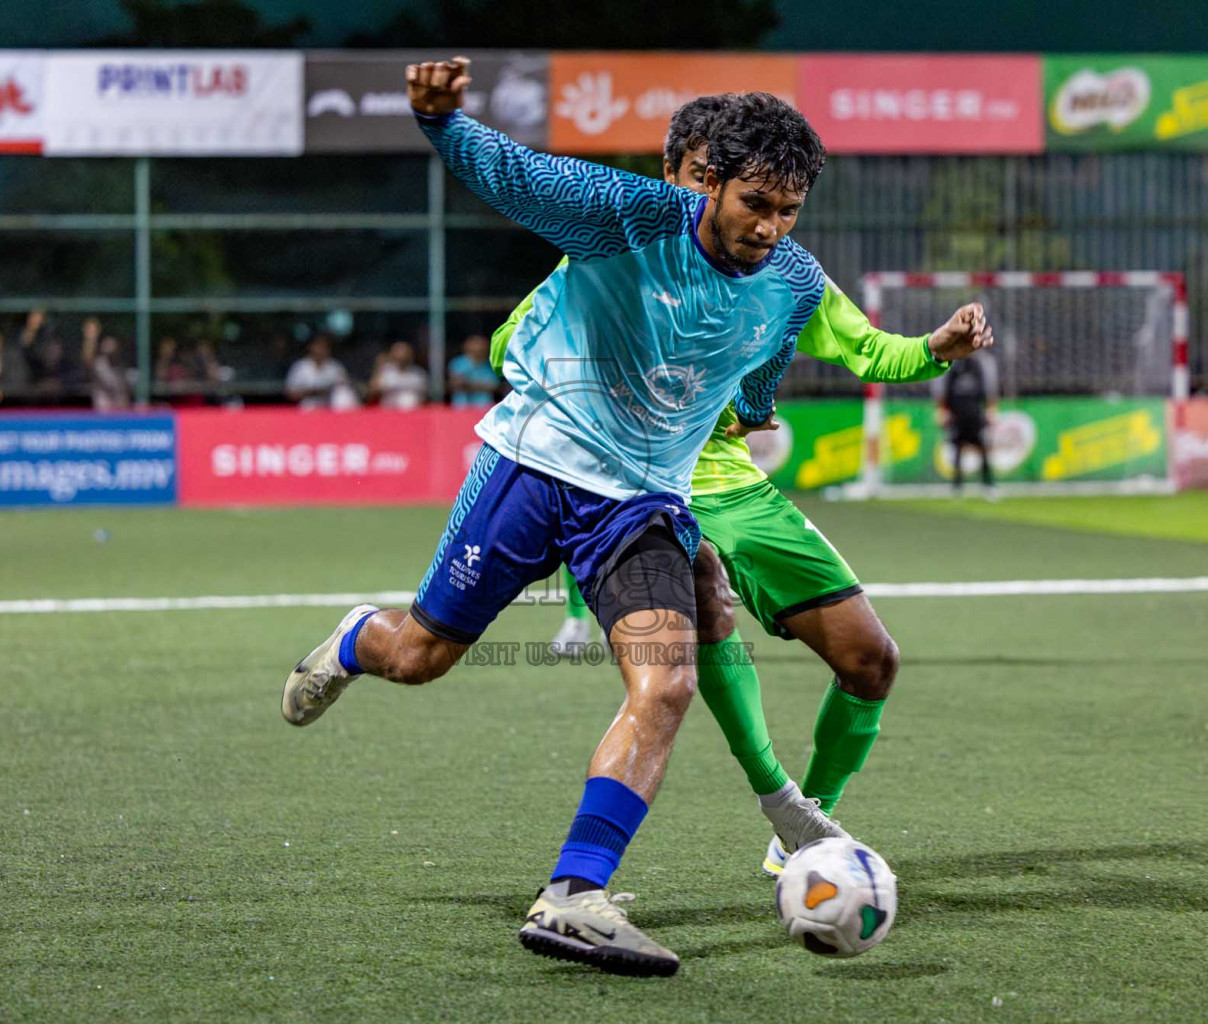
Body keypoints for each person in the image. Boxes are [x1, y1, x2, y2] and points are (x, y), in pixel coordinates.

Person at [280, 59, 989, 977]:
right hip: (533, 469)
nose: (770, 229)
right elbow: (519, 176)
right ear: (708, 184)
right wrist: (443, 124)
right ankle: (352, 642)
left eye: (788, 211)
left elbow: (766, 356)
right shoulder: (629, 216)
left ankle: (574, 895)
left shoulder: (795, 280)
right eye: (754, 205)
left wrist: (768, 395)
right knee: (418, 657)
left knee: (666, 683)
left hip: (645, 502)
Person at [501, 95, 991, 880]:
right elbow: (513, 339)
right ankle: (777, 798)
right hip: (638, 477)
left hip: (732, 481)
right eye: (704, 181)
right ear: (675, 176)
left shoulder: (785, 275)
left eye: (771, 201)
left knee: (871, 660)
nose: (724, 208)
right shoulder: (615, 245)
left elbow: (868, 349)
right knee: (704, 596)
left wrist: (937, 344)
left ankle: (803, 827)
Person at [937, 347, 999, 497]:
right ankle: (957, 486)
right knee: (958, 450)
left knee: (983, 449)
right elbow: (944, 391)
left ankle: (988, 484)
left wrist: (990, 409)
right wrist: (942, 411)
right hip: (957, 416)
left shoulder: (979, 364)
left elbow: (988, 390)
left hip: (976, 415)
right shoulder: (951, 366)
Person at [285, 335, 357, 410]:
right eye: (318, 346)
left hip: (330, 405)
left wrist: (329, 390)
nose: (321, 349)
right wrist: (313, 392)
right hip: (309, 405)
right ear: (311, 347)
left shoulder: (335, 366)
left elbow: (345, 387)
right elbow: (290, 393)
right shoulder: (300, 366)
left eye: (324, 347)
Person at [369, 340, 428, 409]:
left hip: (412, 413)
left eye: (404, 352)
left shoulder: (418, 374)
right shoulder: (386, 371)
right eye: (397, 352)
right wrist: (379, 366)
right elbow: (372, 392)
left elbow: (425, 397)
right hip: (389, 413)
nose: (401, 356)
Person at [446, 334, 500, 407]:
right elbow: (455, 384)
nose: (479, 348)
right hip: (461, 407)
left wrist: (468, 384)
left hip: (484, 407)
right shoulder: (457, 363)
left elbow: (494, 386)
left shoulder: (491, 365)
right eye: (476, 346)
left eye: (482, 346)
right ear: (467, 348)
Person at [90, 334, 132, 411]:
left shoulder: (120, 364)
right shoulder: (98, 363)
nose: (109, 348)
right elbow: (104, 383)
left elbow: (124, 384)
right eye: (107, 345)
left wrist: (123, 398)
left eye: (112, 345)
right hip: (104, 398)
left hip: (118, 399)